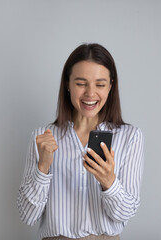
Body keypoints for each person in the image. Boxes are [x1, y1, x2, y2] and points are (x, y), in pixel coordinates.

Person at [17, 43, 145, 240]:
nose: (90, 93)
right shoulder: (43, 138)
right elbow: (27, 216)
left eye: (100, 84)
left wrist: (109, 182)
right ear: (67, 84)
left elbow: (124, 215)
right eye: (81, 83)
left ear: (111, 86)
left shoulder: (129, 137)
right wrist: (43, 167)